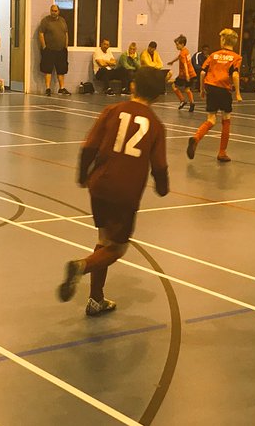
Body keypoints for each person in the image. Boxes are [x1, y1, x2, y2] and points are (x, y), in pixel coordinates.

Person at [57, 66, 170, 316]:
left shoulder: (112, 111)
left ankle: (96, 300)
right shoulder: (155, 125)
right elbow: (159, 165)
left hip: (99, 185)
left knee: (103, 240)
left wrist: (83, 175)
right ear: (158, 97)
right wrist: (163, 188)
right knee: (117, 248)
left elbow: (89, 146)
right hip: (126, 191)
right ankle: (81, 266)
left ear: (132, 87)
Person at [188, 29, 242, 163]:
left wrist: (201, 89)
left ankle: (196, 138)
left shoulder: (213, 55)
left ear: (223, 40)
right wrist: (238, 93)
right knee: (226, 118)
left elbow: (202, 73)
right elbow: (235, 75)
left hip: (210, 87)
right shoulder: (236, 57)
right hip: (224, 89)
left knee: (211, 119)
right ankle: (222, 152)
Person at [37, 4, 70, 96]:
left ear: (58, 12)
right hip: (49, 50)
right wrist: (44, 46)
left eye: (55, 11)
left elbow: (66, 33)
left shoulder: (62, 20)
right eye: (52, 10)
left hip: (61, 50)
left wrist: (66, 45)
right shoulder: (45, 21)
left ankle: (61, 88)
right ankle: (48, 88)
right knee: (48, 70)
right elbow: (41, 33)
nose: (53, 12)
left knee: (61, 70)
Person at [166, 35, 196, 112]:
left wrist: (186, 75)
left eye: (177, 44)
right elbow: (179, 57)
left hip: (185, 75)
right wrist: (172, 62)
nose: (176, 46)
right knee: (187, 89)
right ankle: (192, 103)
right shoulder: (186, 51)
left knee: (174, 86)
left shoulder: (183, 53)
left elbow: (185, 64)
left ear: (182, 44)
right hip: (192, 73)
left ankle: (182, 100)